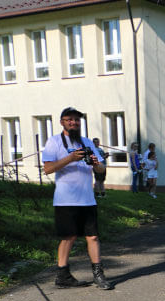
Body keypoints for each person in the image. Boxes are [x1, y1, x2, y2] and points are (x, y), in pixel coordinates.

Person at [43, 107, 113, 290]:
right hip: (65, 199)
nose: (73, 122)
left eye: (76, 120)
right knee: (68, 237)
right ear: (62, 122)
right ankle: (62, 275)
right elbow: (48, 169)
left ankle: (99, 276)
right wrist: (71, 158)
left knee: (93, 237)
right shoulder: (54, 141)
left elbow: (101, 170)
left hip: (87, 198)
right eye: (69, 120)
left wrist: (97, 165)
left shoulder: (87, 142)